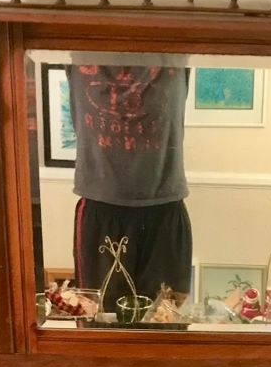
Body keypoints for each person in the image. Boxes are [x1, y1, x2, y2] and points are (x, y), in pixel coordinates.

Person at [68, 55, 192, 315]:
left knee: (165, 325)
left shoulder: (175, 44)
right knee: (99, 323)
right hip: (102, 209)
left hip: (164, 208)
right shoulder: (81, 42)